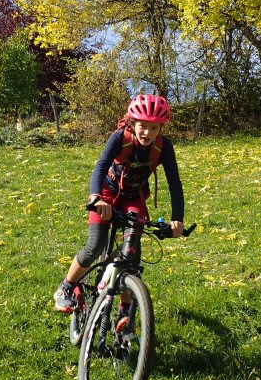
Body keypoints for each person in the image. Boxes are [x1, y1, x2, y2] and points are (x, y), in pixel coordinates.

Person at [54, 94, 184, 315]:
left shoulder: (164, 147)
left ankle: (126, 309)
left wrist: (177, 219)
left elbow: (175, 183)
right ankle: (66, 287)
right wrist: (96, 197)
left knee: (131, 254)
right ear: (133, 123)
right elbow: (101, 166)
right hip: (107, 194)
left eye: (154, 128)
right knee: (96, 244)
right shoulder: (119, 138)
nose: (148, 133)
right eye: (143, 126)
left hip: (134, 197)